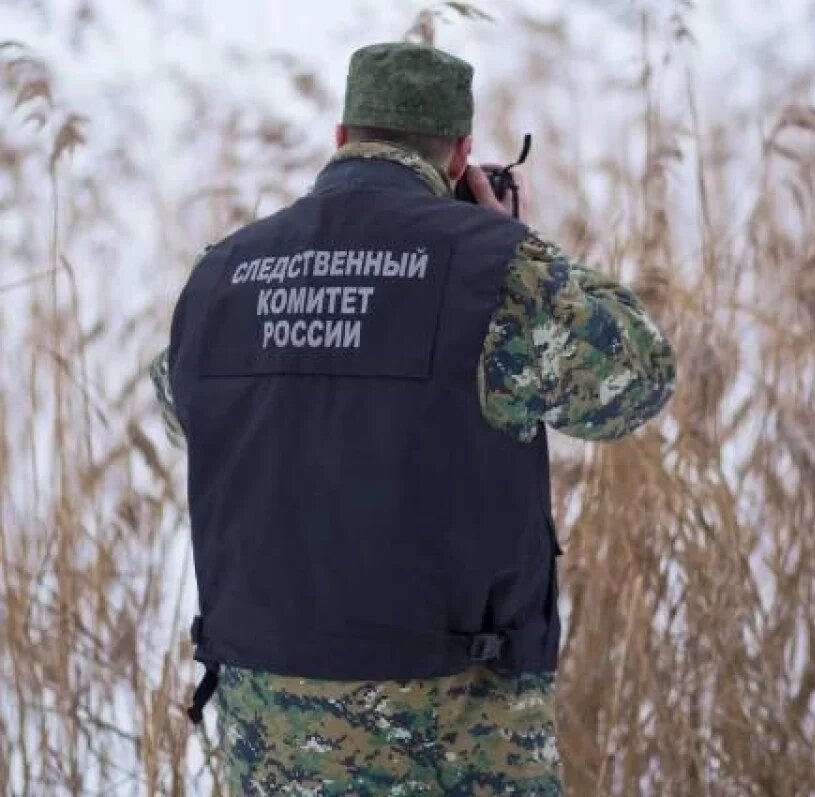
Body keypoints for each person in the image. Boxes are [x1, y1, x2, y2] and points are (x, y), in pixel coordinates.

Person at [150, 42, 675, 795]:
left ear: (341, 136)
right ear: (461, 154)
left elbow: (187, 412)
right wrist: (511, 236)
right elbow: (639, 377)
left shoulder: (223, 272)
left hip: (268, 735)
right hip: (449, 729)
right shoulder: (492, 271)